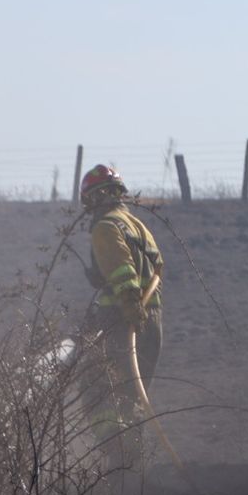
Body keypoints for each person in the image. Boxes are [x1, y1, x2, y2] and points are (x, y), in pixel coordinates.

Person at [78, 164, 165, 474]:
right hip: (152, 322)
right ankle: (133, 469)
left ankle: (117, 462)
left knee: (97, 391)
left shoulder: (106, 227)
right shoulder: (138, 226)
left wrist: (129, 307)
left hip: (123, 321)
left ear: (92, 199)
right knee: (131, 400)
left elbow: (124, 273)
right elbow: (154, 269)